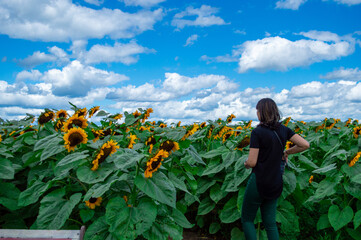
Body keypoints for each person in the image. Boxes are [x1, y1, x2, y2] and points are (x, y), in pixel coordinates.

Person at [241, 98, 309, 240]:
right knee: (270, 223)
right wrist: (287, 152)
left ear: (261, 112)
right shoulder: (284, 129)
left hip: (259, 182)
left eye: (257, 111)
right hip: (276, 182)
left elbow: (252, 162)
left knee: (247, 219)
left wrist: (246, 163)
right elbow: (304, 144)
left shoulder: (257, 132)